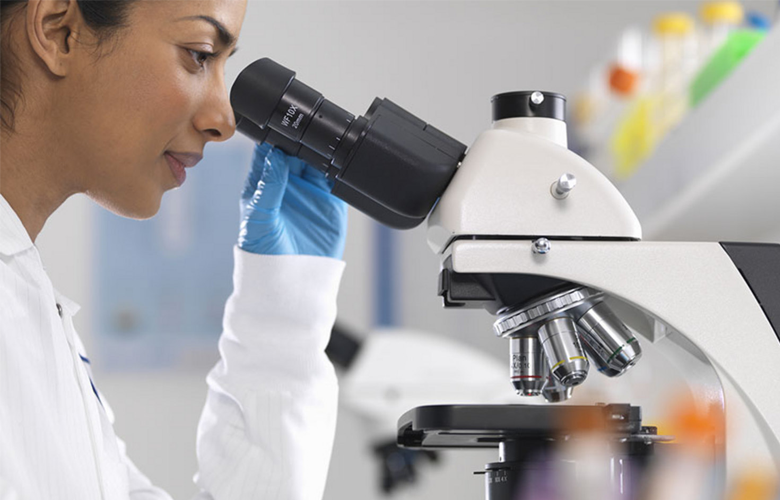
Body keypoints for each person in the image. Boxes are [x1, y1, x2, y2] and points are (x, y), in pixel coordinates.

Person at [0, 0, 348, 498]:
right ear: (60, 32)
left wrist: (283, 314)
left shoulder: (29, 305)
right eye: (199, 54)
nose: (224, 120)